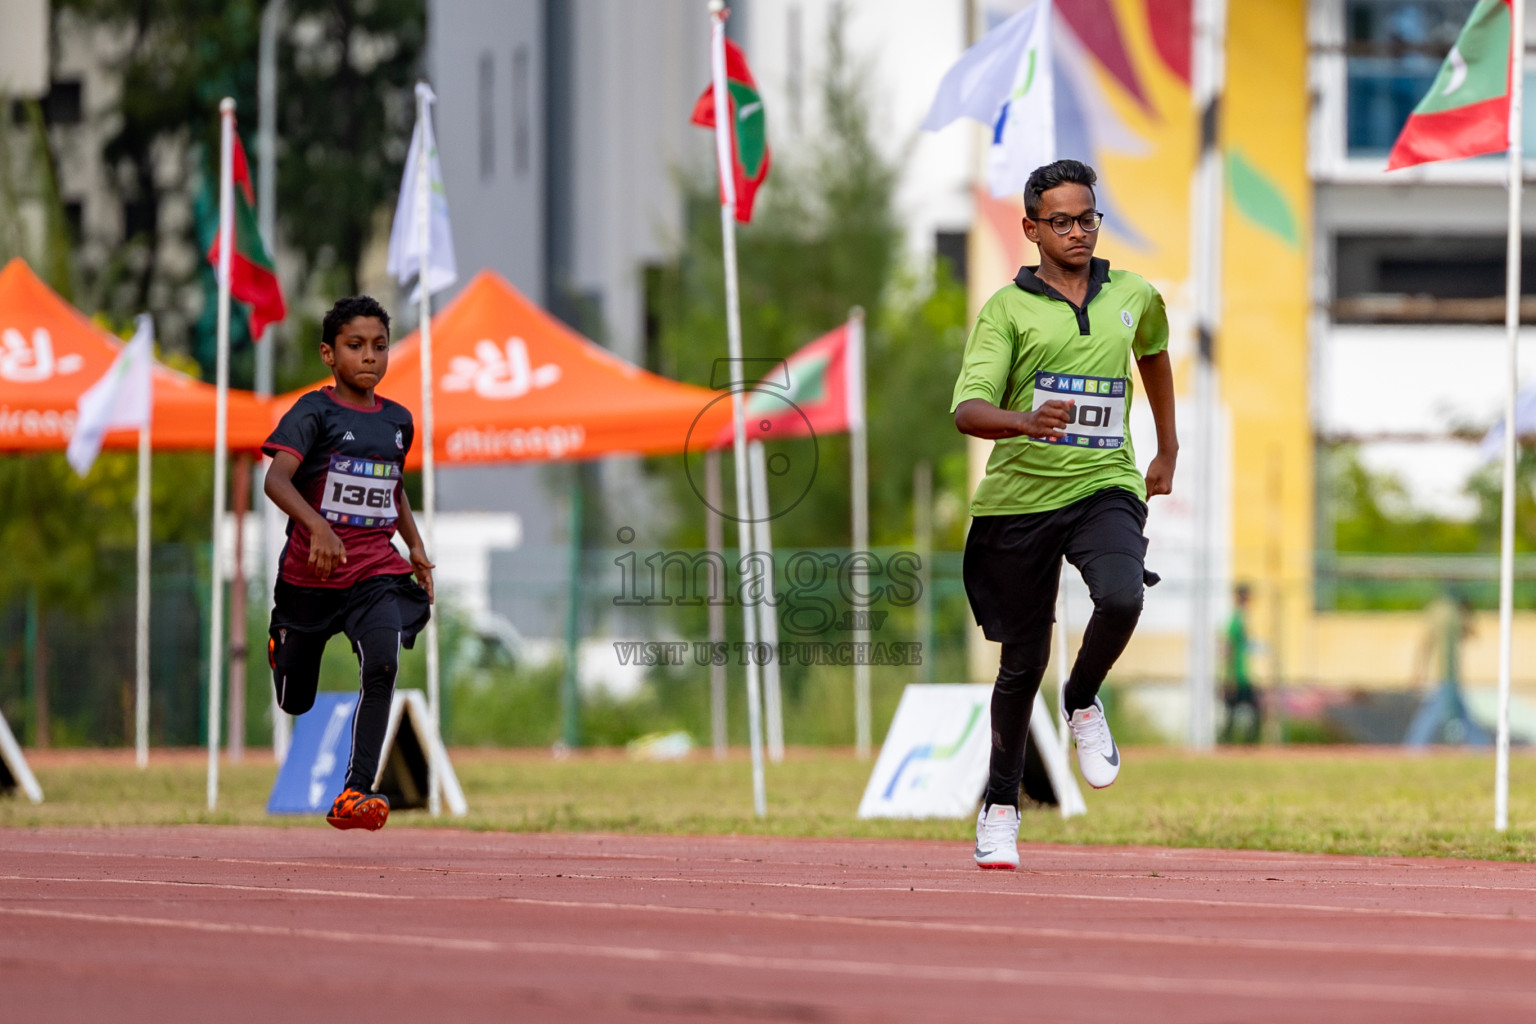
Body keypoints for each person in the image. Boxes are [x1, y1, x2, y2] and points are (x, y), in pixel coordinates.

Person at [953, 160, 1178, 870]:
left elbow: (1155, 355)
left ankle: (1082, 700)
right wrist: (1024, 419)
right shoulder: (1007, 311)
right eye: (1062, 221)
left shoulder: (1134, 295)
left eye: (1088, 218)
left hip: (1104, 483)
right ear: (1031, 229)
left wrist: (1167, 448)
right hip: (1019, 500)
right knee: (1022, 663)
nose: (1078, 231)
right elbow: (967, 411)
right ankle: (999, 807)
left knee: (1120, 595)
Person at [262, 296, 435, 831]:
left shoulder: (399, 421)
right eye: (355, 346)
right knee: (295, 702)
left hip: (373, 572)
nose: (370, 358)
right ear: (328, 354)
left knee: (382, 664)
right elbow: (276, 480)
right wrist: (317, 527)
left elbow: (393, 488)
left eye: (380, 347)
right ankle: (281, 643)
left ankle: (355, 792)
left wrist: (415, 548)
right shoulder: (313, 413)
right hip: (308, 581)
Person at [1404, 589, 1490, 747]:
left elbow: (1425, 643)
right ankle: (1415, 745)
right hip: (1447, 674)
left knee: (1453, 713)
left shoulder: (1442, 612)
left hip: (1448, 674)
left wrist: (1418, 671)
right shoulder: (1451, 612)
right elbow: (1471, 633)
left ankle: (1415, 746)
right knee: (1437, 713)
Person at [1221, 584, 1261, 744]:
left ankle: (1236, 744)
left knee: (1236, 713)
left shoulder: (1242, 618)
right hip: (1237, 675)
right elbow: (1228, 648)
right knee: (1240, 712)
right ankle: (1236, 744)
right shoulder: (1236, 620)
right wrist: (1229, 677)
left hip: (1243, 674)